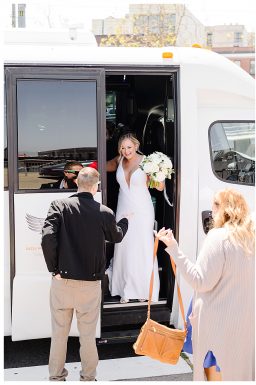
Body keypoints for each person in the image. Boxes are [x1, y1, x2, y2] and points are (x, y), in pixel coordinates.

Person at [155, 189, 256, 381]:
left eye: (215, 206)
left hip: (217, 326)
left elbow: (200, 280)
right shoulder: (250, 238)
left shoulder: (218, 237)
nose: (212, 211)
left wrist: (174, 250)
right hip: (243, 325)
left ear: (223, 209)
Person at [41, 167, 128, 381]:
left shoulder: (58, 206)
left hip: (63, 282)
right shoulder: (104, 212)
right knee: (87, 336)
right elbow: (116, 237)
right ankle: (88, 378)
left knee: (59, 334)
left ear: (77, 183)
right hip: (90, 285)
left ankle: (56, 377)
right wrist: (125, 222)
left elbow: (47, 238)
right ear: (96, 187)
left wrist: (54, 269)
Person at [104, 133, 165, 304]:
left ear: (136, 147)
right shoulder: (119, 160)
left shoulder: (147, 162)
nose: (126, 150)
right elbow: (102, 165)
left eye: (129, 147)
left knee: (142, 247)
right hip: (123, 208)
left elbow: (160, 188)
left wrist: (158, 174)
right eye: (122, 147)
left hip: (142, 210)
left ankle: (144, 289)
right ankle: (125, 288)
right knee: (124, 245)